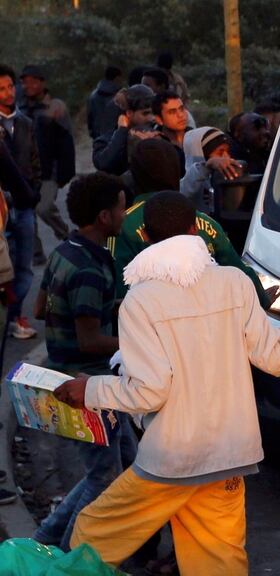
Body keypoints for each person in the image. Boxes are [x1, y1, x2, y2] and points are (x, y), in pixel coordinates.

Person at [55, 191, 280, 575]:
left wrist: (88, 389)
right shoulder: (235, 282)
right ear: (195, 230)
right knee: (218, 564)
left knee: (90, 536)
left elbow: (149, 390)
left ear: (148, 239)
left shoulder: (141, 299)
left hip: (171, 460)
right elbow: (275, 358)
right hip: (229, 455)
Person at [31, 173, 132, 550]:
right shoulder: (90, 268)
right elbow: (90, 340)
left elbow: (41, 307)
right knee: (103, 477)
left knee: (119, 467)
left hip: (70, 374)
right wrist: (137, 344)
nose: (126, 214)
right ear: (105, 216)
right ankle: (66, 554)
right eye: (122, 207)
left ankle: (47, 541)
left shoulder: (65, 250)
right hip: (88, 384)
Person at [110, 138, 271, 309]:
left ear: (134, 176)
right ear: (178, 172)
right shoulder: (206, 222)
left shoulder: (122, 225)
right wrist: (263, 301)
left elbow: (119, 291)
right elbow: (240, 272)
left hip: (153, 327)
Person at [0, 63, 41, 340]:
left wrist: (33, 191)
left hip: (25, 205)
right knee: (5, 266)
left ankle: (14, 316)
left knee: (25, 265)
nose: (7, 93)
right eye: (1, 89)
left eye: (9, 86)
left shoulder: (26, 123)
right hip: (1, 207)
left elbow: (36, 162)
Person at [18, 65, 74, 257]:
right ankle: (35, 252)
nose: (28, 86)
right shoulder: (20, 108)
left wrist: (65, 172)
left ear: (42, 83)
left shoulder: (55, 106)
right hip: (25, 170)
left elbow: (66, 142)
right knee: (26, 212)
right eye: (25, 82)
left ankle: (68, 236)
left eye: (33, 81)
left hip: (49, 170)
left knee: (44, 208)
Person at [92, 84, 157, 175]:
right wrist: (122, 131)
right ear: (129, 113)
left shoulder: (158, 133)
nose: (152, 118)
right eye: (145, 114)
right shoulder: (106, 141)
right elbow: (103, 163)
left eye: (154, 112)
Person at [180, 127, 241, 213]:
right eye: (220, 152)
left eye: (228, 151)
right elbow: (183, 192)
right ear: (203, 152)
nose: (226, 157)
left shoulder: (227, 174)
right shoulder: (188, 179)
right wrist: (206, 166)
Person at [88, 66, 123, 141]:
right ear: (117, 78)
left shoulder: (93, 95)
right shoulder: (120, 96)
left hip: (98, 136)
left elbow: (90, 116)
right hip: (115, 137)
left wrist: (92, 132)